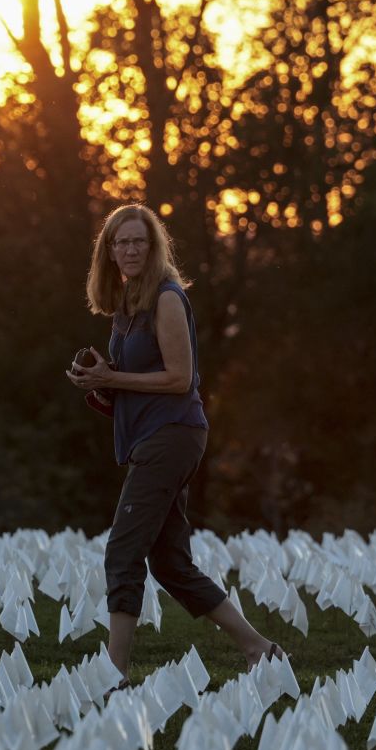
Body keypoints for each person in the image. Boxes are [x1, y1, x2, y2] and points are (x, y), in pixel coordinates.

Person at [65, 203, 286, 682]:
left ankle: (112, 675)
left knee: (123, 551)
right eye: (119, 242)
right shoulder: (127, 303)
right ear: (108, 250)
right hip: (153, 436)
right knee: (170, 563)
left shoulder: (166, 298)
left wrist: (114, 376)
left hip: (172, 435)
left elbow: (180, 379)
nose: (128, 250)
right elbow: (137, 377)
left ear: (153, 246)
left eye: (137, 242)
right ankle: (260, 650)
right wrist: (102, 382)